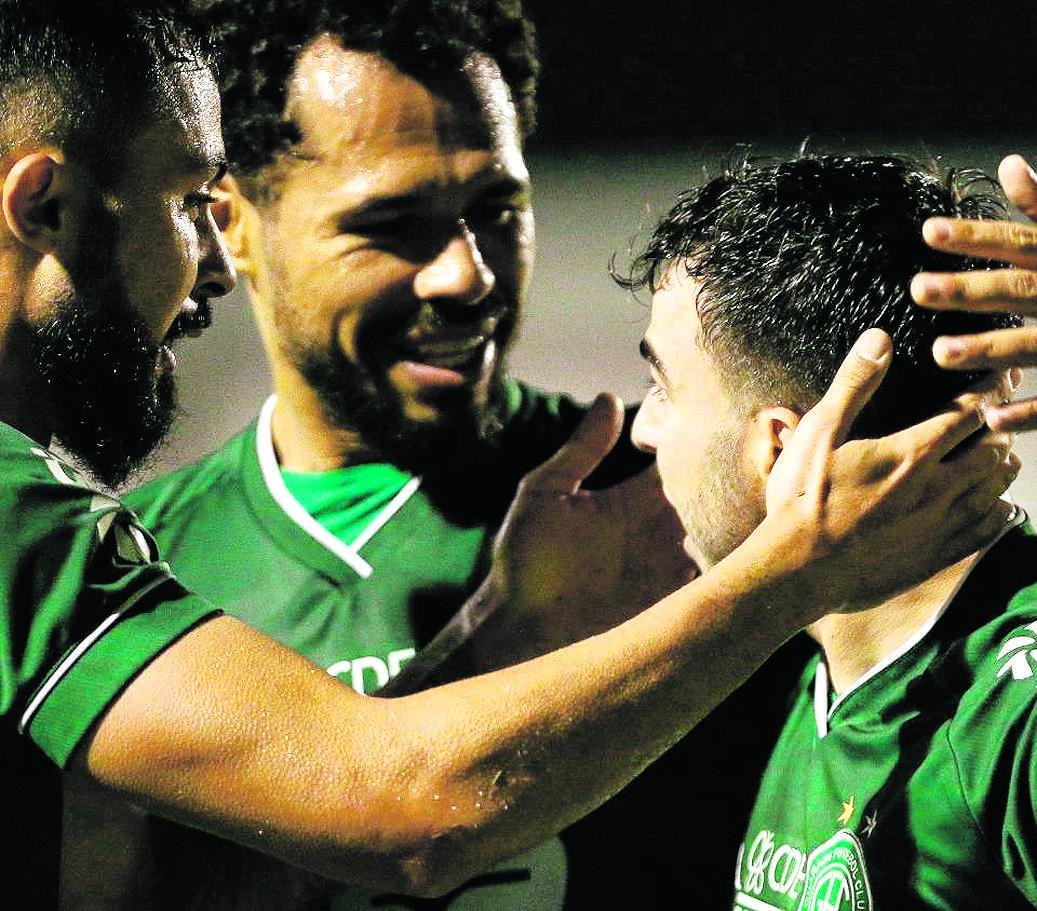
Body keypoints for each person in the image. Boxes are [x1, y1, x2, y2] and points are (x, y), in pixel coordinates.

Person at [4, 4, 1013, 911]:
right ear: (241, 223)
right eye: (389, 226)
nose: (465, 275)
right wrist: (785, 571)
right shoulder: (123, 543)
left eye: (496, 210)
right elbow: (399, 805)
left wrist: (514, 636)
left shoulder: (680, 511)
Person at [621, 152, 1037, 909]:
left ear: (780, 445)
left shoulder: (1015, 717)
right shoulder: (818, 648)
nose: (642, 429)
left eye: (661, 387)